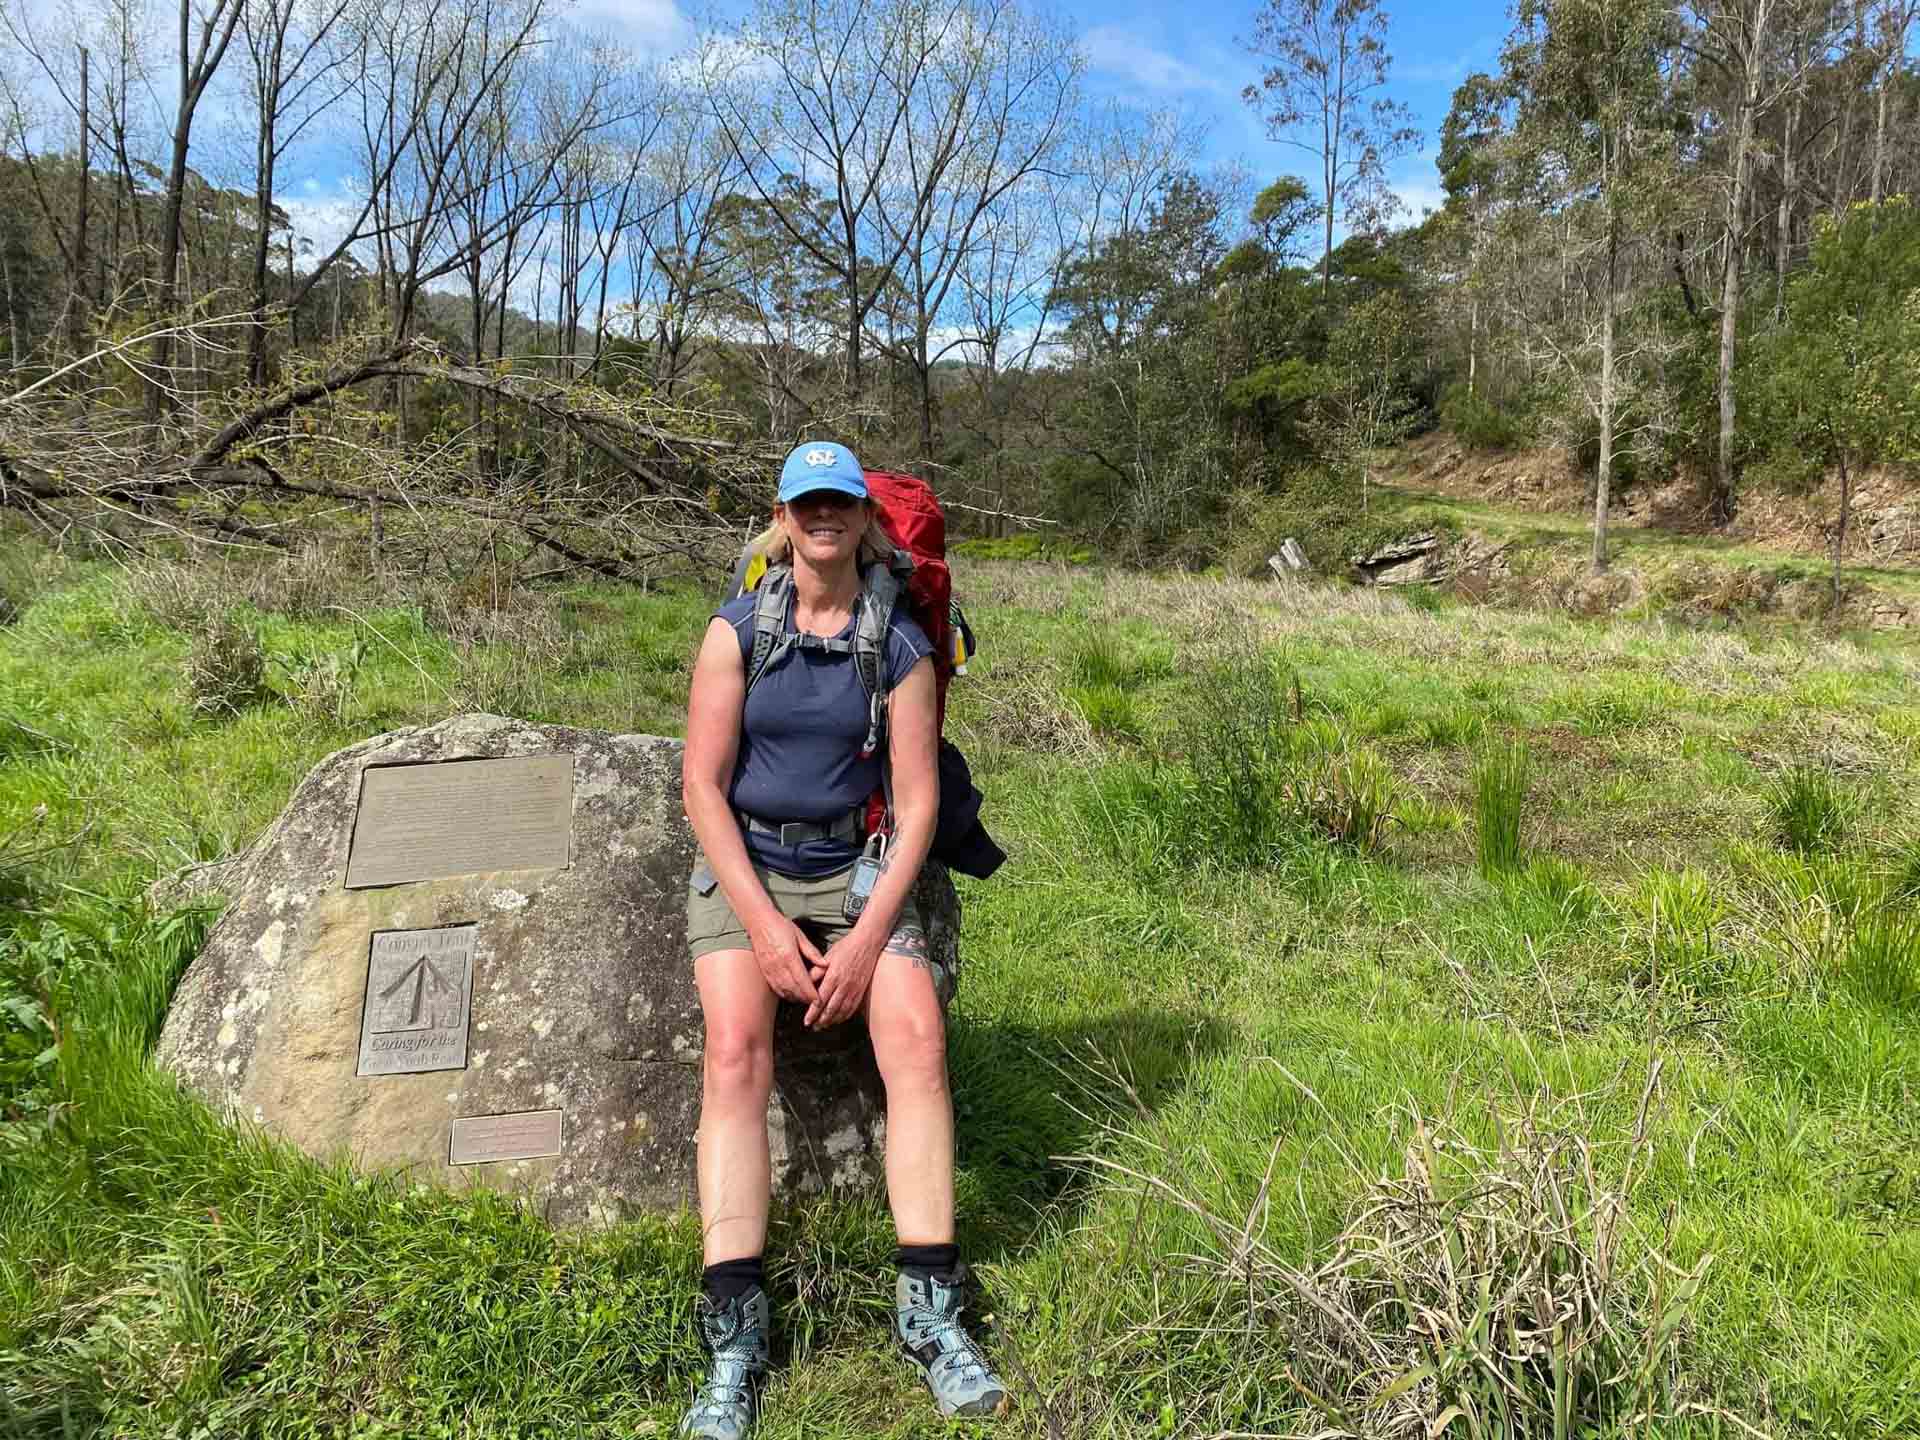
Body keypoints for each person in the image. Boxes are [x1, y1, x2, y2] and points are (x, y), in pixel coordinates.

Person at [678, 440, 1008, 1438]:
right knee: (736, 1052)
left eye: (841, 503)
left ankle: (931, 1316)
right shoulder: (736, 632)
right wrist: (766, 928)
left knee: (916, 1040)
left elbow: (915, 807)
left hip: (860, 866)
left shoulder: (900, 644)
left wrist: (864, 943)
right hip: (750, 864)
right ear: (783, 520)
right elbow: (702, 789)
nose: (823, 518)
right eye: (806, 503)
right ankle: (734, 1341)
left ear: (864, 519)